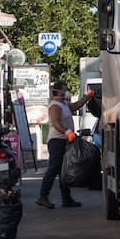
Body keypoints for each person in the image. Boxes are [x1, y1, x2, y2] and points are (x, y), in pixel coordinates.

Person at [36, 81, 94, 209]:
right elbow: (56, 123)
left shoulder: (64, 104)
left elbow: (76, 105)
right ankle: (43, 196)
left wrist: (87, 96)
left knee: (64, 170)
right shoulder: (55, 106)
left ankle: (66, 199)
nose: (66, 91)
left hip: (65, 140)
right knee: (54, 168)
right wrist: (67, 132)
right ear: (58, 91)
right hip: (57, 141)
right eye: (64, 89)